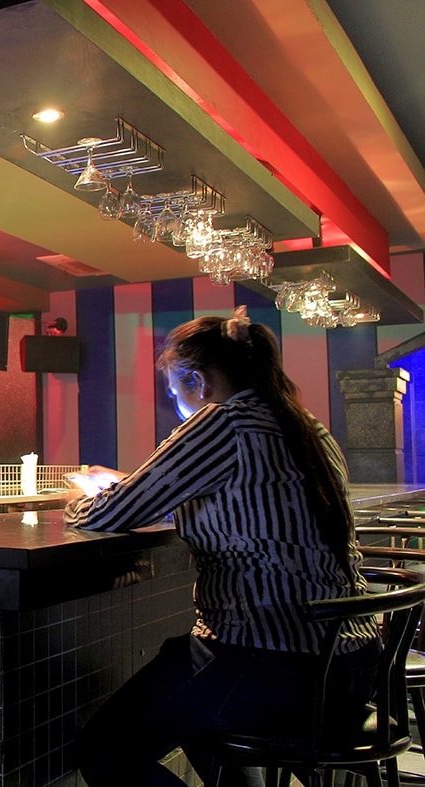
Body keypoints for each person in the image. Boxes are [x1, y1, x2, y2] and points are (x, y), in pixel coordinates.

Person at [63, 306, 381, 787]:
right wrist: (140, 489)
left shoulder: (224, 422)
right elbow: (252, 502)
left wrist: (84, 499)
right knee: (198, 707)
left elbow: (109, 515)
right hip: (351, 661)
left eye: (175, 390)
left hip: (274, 659)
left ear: (198, 380)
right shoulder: (305, 426)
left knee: (106, 750)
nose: (177, 402)